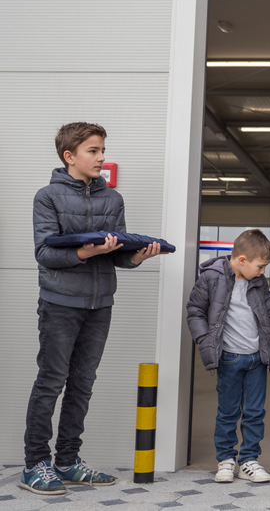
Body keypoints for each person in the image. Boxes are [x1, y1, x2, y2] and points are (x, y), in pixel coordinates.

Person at [22, 122, 162, 495]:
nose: (101, 157)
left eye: (103, 151)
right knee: (51, 381)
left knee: (83, 383)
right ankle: (35, 464)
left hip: (100, 304)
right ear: (70, 156)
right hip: (59, 303)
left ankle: (67, 461)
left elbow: (117, 256)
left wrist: (137, 257)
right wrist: (85, 251)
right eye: (93, 151)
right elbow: (45, 253)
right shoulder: (47, 197)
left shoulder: (113, 200)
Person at [186, 229, 270, 484]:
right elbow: (195, 311)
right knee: (228, 412)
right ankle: (226, 459)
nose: (262, 272)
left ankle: (248, 460)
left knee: (254, 413)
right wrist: (204, 340)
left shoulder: (259, 282)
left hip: (257, 359)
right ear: (241, 260)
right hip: (229, 358)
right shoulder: (211, 278)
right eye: (260, 266)